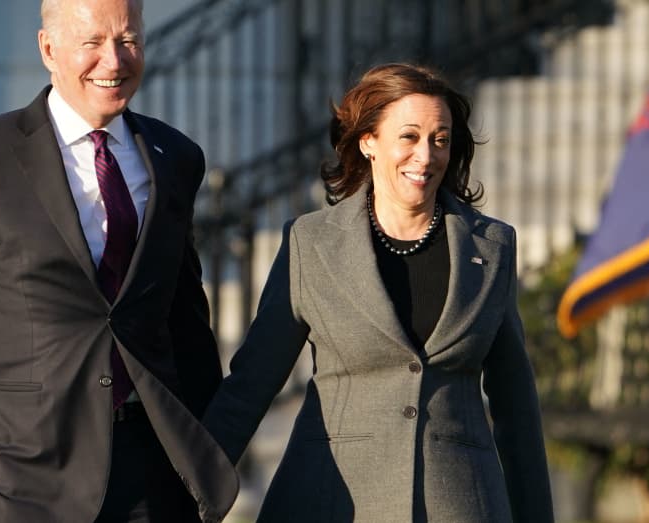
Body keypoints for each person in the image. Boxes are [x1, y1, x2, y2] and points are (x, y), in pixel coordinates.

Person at [0, 0, 238, 521]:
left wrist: (212, 450)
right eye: (92, 42)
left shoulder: (176, 157)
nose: (115, 61)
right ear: (48, 49)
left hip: (153, 471)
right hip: (19, 475)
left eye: (128, 40)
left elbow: (186, 322)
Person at [202, 63, 554, 522]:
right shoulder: (311, 243)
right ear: (368, 141)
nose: (426, 156)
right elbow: (251, 385)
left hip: (460, 503)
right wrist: (189, 496)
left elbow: (516, 407)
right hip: (329, 502)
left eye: (440, 139)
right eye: (409, 137)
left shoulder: (492, 246)